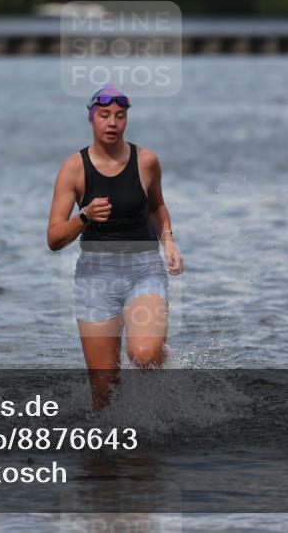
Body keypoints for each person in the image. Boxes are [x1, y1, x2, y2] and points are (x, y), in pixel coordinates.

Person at [47, 84, 184, 409]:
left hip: (143, 270)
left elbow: (156, 207)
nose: (112, 123)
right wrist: (85, 216)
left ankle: (167, 363)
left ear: (126, 120)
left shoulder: (146, 161)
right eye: (105, 115)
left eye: (120, 116)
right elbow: (54, 238)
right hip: (95, 276)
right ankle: (111, 456)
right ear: (92, 119)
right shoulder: (74, 168)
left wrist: (168, 241)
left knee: (145, 355)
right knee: (104, 393)